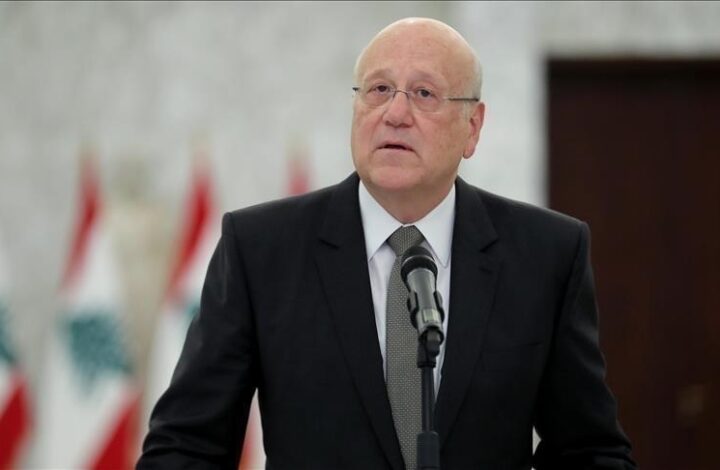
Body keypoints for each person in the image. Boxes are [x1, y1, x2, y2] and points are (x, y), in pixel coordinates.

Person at [138, 17, 636, 470]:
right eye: (378, 90)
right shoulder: (261, 250)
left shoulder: (546, 255)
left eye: (424, 93)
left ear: (472, 127)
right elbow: (186, 448)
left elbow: (590, 452)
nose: (395, 113)